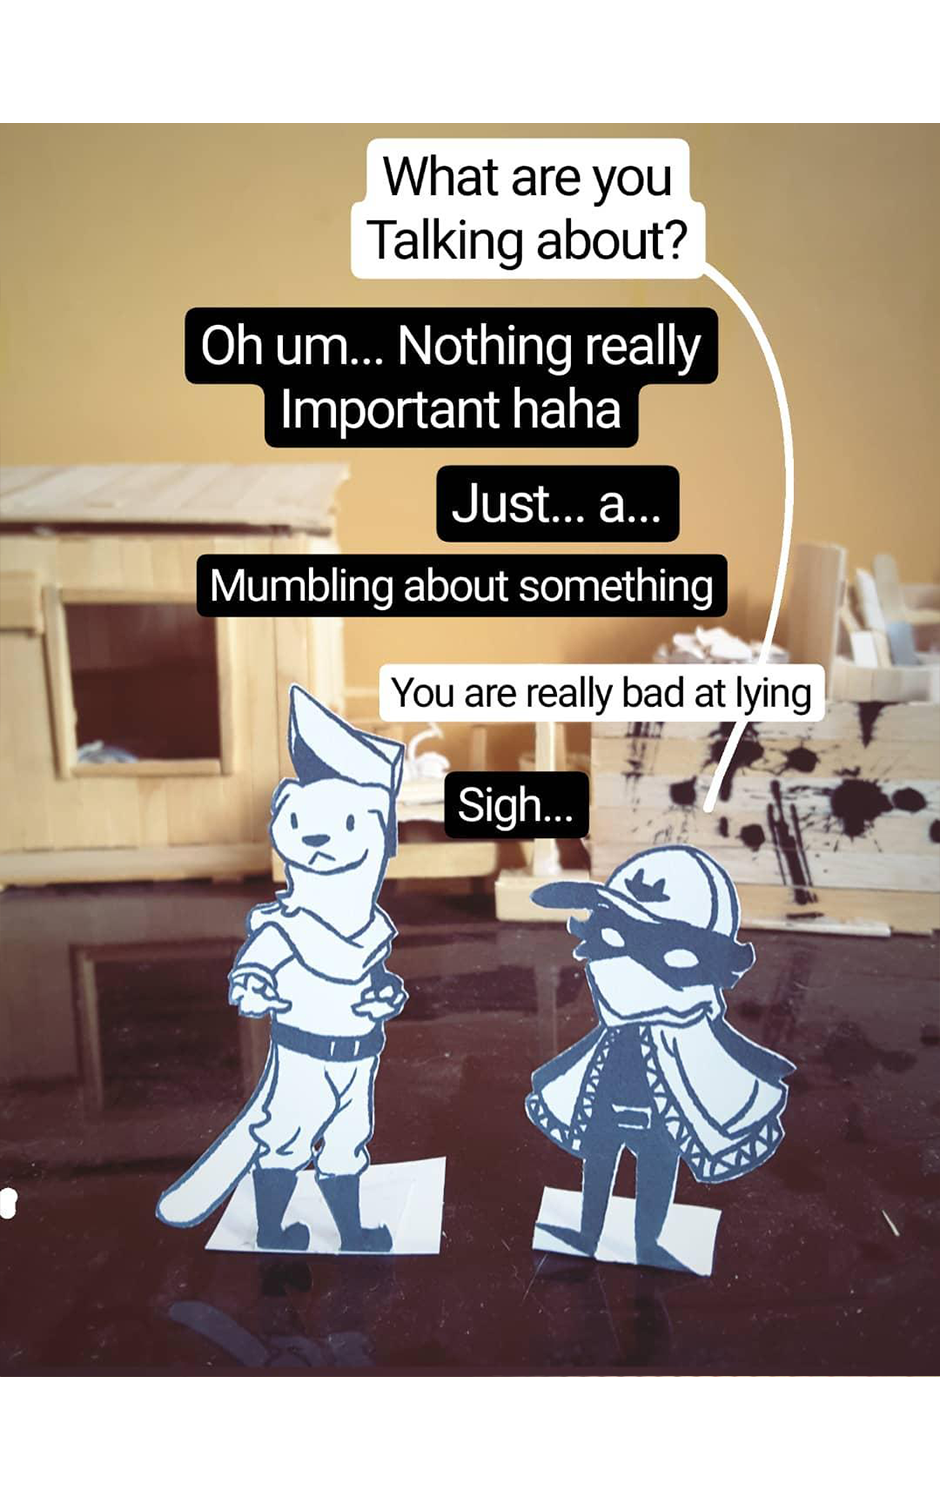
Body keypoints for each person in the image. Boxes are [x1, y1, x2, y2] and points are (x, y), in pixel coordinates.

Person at [157, 686, 406, 1253]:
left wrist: (385, 995)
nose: (318, 842)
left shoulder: (371, 929)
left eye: (345, 826)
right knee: (286, 1141)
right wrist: (253, 986)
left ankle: (352, 1234)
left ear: (378, 834)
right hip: (302, 1059)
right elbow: (254, 970)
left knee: (347, 1143)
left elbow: (373, 979)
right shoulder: (282, 926)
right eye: (301, 824)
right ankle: (272, 1231)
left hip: (360, 1058)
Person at [527, 845, 794, 1269]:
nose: (627, 965)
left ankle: (648, 1244)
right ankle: (587, 1234)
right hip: (606, 1099)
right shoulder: (615, 1028)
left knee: (657, 1169)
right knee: (598, 1164)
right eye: (614, 937)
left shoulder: (688, 1034)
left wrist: (753, 1070)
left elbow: (722, 1054)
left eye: (667, 952)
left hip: (662, 1114)